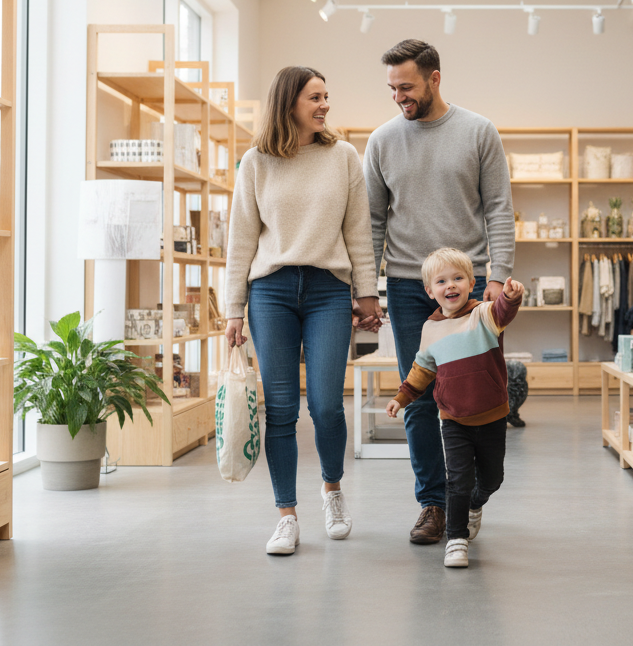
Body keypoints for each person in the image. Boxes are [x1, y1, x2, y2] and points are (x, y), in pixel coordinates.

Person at [224, 65, 382, 556]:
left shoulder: (343, 156)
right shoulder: (255, 162)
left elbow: (359, 230)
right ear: (288, 101)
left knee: (327, 405)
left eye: (327, 96)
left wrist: (367, 292)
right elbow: (241, 239)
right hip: (270, 292)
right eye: (315, 97)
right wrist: (233, 308)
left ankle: (332, 491)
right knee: (282, 408)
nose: (325, 105)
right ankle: (286, 514)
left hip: (326, 290)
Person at [364, 39, 516, 545]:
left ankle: (472, 494)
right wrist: (370, 287)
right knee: (421, 394)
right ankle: (433, 504)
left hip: (468, 287)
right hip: (408, 286)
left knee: (479, 392)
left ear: (434, 78)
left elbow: (498, 207)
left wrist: (496, 278)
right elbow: (372, 221)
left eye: (406, 86)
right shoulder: (382, 140)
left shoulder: (478, 132)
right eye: (392, 88)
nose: (398, 97)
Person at [385, 248, 523, 567]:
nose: (451, 285)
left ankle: (475, 504)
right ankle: (456, 539)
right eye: (442, 281)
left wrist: (511, 296)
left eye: (458, 278)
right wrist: (401, 397)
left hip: (491, 416)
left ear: (472, 283)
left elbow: (504, 311)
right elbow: (422, 370)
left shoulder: (484, 315)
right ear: (430, 291)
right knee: (458, 479)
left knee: (492, 478)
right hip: (453, 419)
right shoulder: (430, 329)